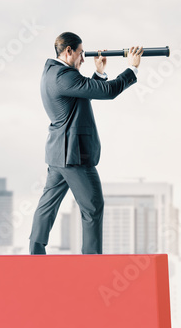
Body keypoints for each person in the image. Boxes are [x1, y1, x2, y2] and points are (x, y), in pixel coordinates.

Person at [28, 32, 142, 254]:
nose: (83, 59)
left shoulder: (53, 73)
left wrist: (99, 73)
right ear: (68, 51)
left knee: (47, 206)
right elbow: (108, 92)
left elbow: (84, 92)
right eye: (81, 54)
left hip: (59, 154)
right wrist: (132, 69)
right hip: (74, 155)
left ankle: (35, 253)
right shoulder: (65, 76)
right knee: (92, 208)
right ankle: (92, 262)